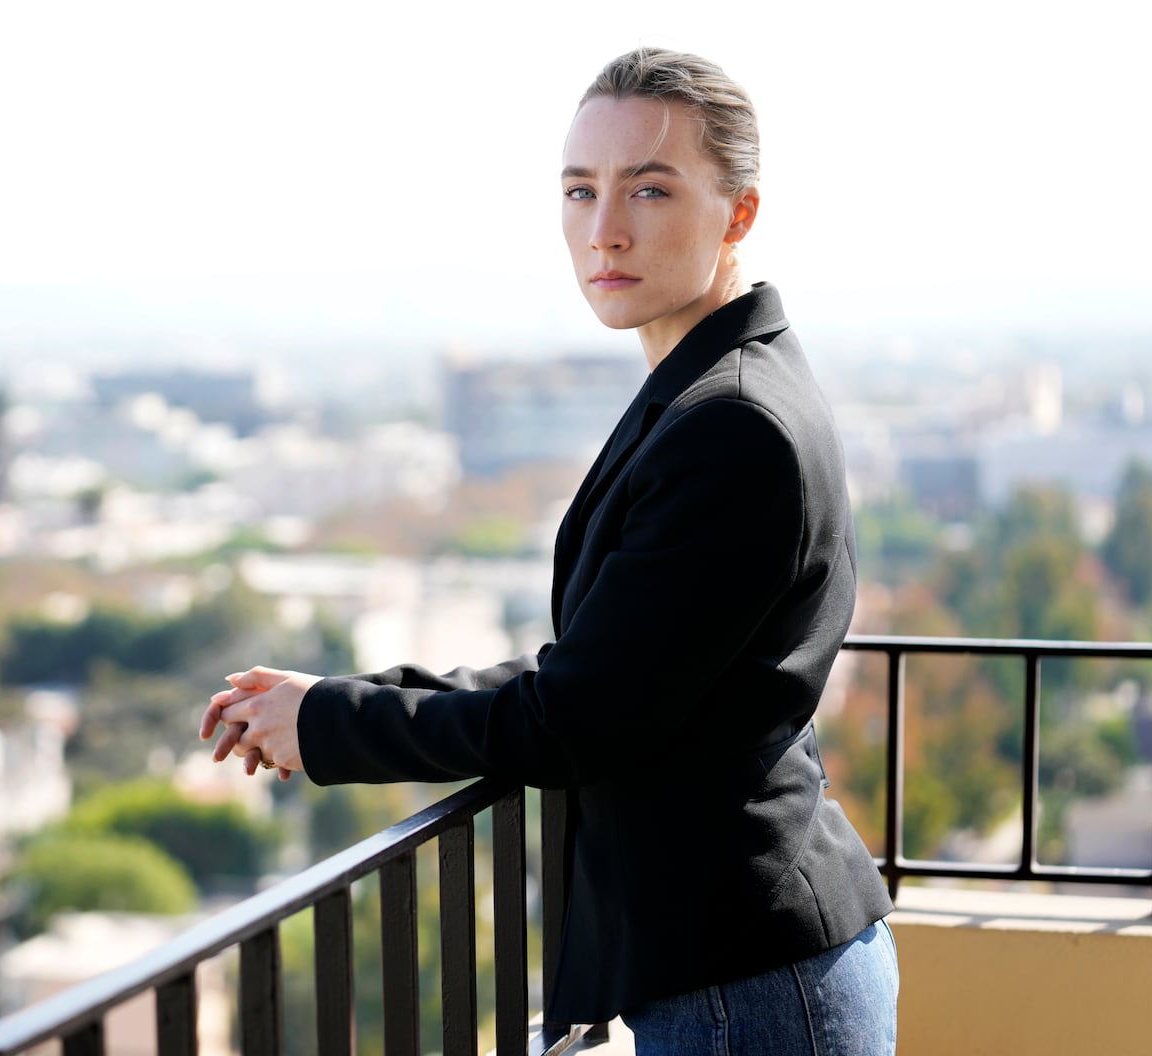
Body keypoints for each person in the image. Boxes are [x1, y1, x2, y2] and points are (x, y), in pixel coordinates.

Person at [200, 47, 898, 1055]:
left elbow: (579, 717)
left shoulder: (732, 423)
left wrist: (336, 725)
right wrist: (332, 698)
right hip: (736, 970)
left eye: (649, 190)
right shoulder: (711, 390)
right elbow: (604, 673)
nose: (603, 229)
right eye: (580, 191)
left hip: (746, 983)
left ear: (738, 212)